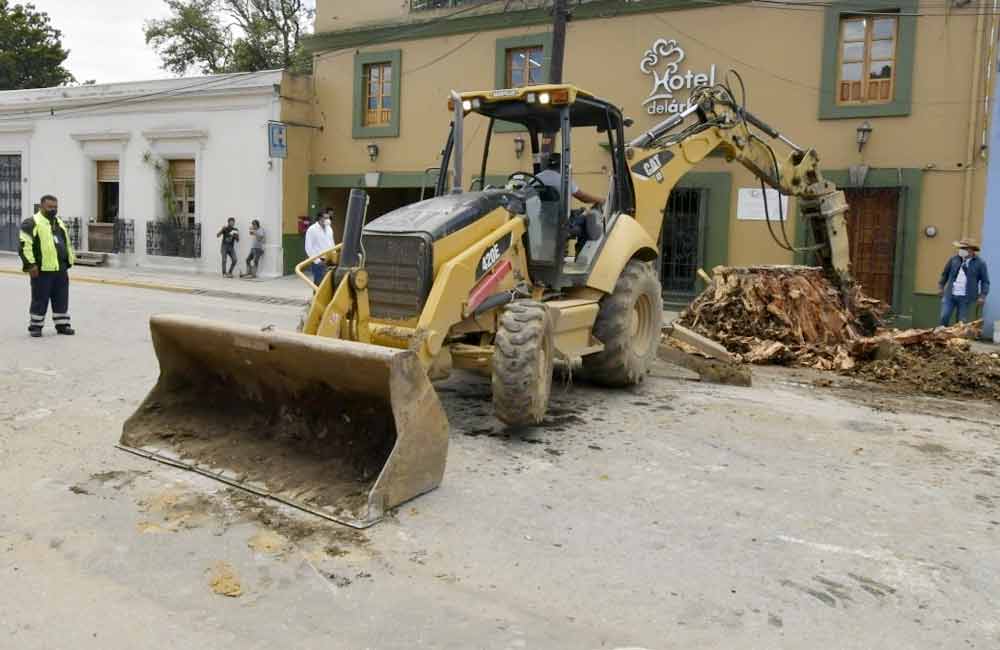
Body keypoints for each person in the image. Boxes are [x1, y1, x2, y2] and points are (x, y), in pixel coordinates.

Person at [18, 194, 76, 337]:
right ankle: (36, 326)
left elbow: (66, 242)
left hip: (60, 268)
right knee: (40, 298)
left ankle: (62, 325)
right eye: (50, 207)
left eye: (55, 207)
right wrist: (30, 265)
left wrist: (69, 260)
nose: (53, 209)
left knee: (61, 298)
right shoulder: (31, 223)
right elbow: (25, 245)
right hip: (41, 269)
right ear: (41, 206)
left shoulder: (59, 222)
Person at [939, 238, 990, 326]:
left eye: (963, 248)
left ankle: (957, 339)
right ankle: (942, 336)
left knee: (961, 322)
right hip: (950, 294)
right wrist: (941, 286)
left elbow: (985, 281)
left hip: (966, 297)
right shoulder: (954, 259)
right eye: (960, 248)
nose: (961, 250)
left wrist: (982, 296)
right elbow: (945, 274)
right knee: (944, 316)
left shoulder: (980, 263)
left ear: (971, 250)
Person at [304, 210, 335, 286]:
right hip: (319, 262)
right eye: (326, 218)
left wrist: (334, 256)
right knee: (319, 284)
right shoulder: (312, 229)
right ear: (320, 218)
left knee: (328, 285)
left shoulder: (329, 229)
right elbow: (308, 247)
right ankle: (316, 297)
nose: (328, 220)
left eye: (329, 218)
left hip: (329, 260)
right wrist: (317, 261)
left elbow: (332, 243)